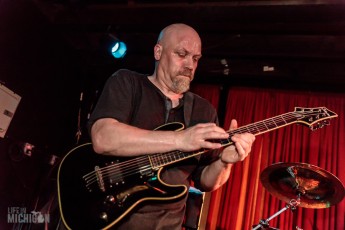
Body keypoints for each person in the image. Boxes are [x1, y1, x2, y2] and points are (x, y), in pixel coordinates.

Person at [87, 23, 255, 230]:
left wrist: (224, 163)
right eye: (181, 54)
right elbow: (103, 138)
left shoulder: (204, 111)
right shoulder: (127, 82)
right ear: (158, 52)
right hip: (108, 217)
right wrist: (180, 139)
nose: (190, 65)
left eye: (195, 59)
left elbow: (205, 181)